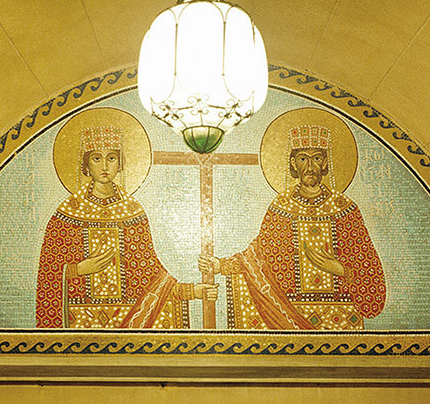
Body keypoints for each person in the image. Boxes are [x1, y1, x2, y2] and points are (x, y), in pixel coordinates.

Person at [199, 123, 385, 330]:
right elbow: (259, 255)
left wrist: (341, 270)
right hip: (288, 312)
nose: (310, 167)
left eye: (317, 158)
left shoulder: (345, 209)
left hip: (342, 316)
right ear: (293, 164)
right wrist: (220, 266)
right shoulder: (282, 207)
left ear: (325, 163)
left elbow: (370, 269)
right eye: (303, 159)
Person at [37, 124, 216, 329]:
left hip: (130, 315)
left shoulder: (132, 212)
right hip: (79, 318)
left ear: (120, 163)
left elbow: (150, 275)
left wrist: (192, 291)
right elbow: (47, 274)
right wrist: (77, 270)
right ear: (86, 165)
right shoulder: (67, 214)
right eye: (96, 158)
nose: (104, 166)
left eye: (111, 158)